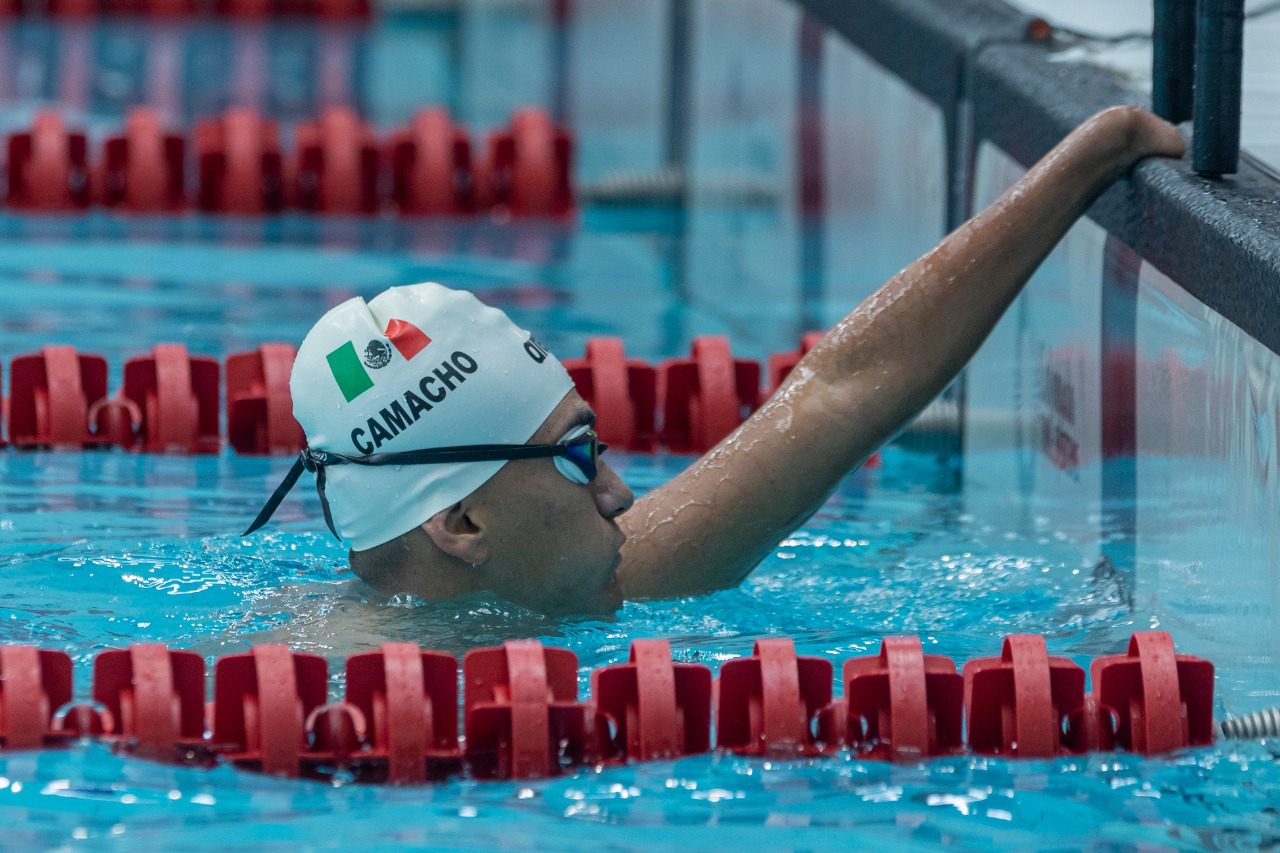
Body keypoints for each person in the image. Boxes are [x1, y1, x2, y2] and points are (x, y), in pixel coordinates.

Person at [246, 105, 1185, 615]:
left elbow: (834, 395)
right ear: (460, 524)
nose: (617, 490)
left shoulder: (570, 582)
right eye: (579, 455)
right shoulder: (300, 702)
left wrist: (1089, 158)